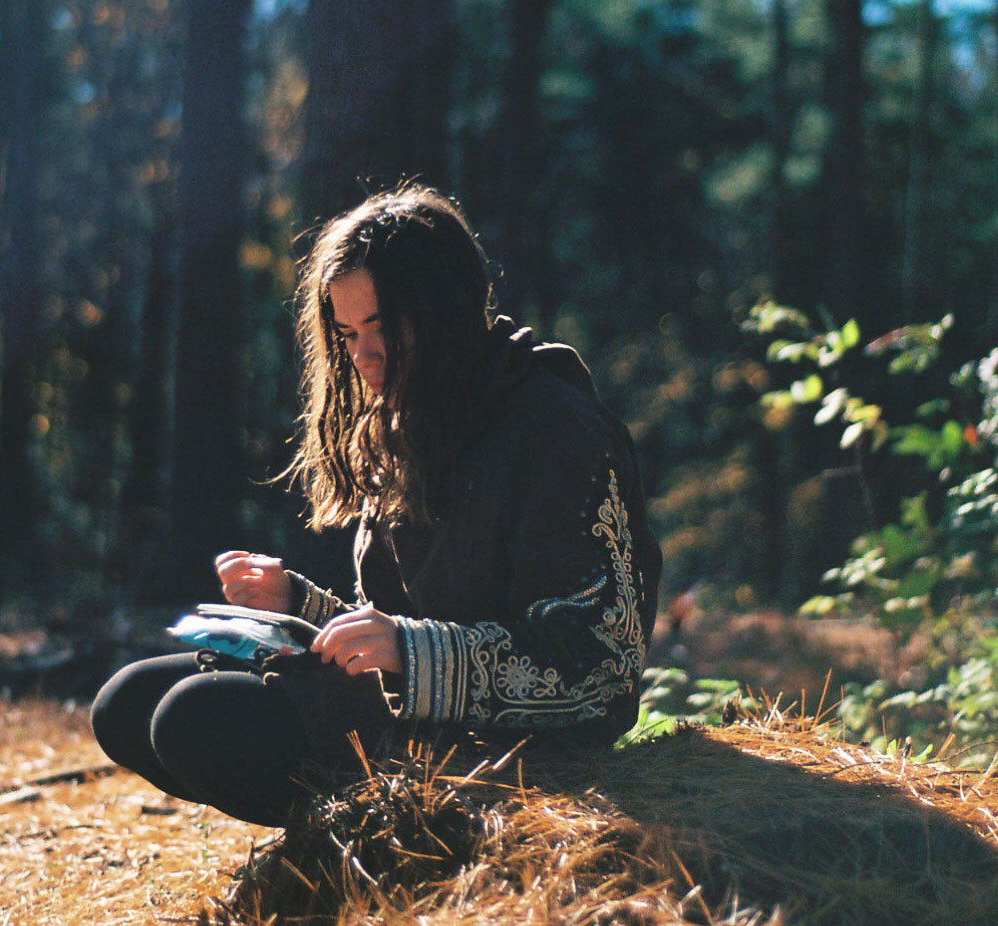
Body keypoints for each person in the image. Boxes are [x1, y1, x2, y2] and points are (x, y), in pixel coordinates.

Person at [91, 184, 661, 826]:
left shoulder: (559, 431)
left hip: (511, 759)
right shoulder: (409, 420)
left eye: (384, 327)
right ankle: (349, 839)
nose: (363, 355)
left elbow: (602, 672)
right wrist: (299, 605)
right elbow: (399, 629)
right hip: (409, 725)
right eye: (348, 333)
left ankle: (377, 845)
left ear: (448, 308)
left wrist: (412, 653)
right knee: (126, 702)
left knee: (193, 719)